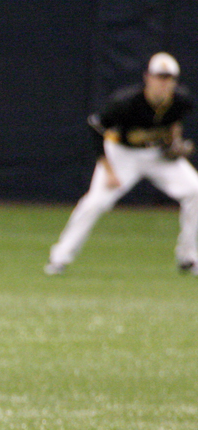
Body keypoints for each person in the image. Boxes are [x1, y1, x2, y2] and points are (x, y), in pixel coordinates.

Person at [45, 52, 198, 276]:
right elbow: (96, 126)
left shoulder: (181, 100)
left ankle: (188, 257)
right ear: (148, 77)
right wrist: (108, 170)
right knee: (95, 203)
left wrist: (174, 143)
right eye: (159, 77)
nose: (164, 83)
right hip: (121, 156)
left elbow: (174, 123)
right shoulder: (126, 102)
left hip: (156, 156)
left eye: (168, 78)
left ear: (175, 81)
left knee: (195, 191)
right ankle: (59, 258)